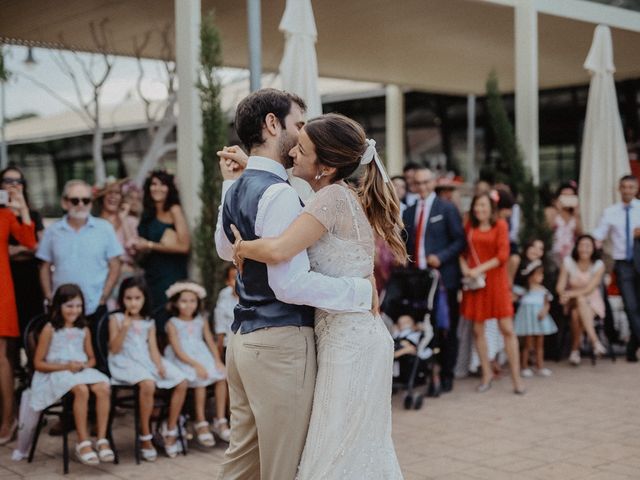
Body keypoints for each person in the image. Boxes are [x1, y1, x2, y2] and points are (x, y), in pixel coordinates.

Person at [214, 89, 388, 480]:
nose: (298, 140)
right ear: (273, 124)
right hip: (279, 344)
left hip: (242, 340)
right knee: (283, 467)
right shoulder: (281, 193)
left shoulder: (241, 186)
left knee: (242, 462)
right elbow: (289, 284)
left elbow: (225, 250)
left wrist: (235, 186)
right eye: (298, 125)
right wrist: (362, 291)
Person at [30, 284, 113, 465]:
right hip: (55, 372)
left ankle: (101, 438)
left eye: (78, 305)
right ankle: (82, 442)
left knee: (103, 387)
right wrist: (66, 366)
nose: (74, 310)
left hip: (78, 370)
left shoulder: (84, 329)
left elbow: (92, 359)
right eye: (69, 305)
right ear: (58, 306)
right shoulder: (50, 329)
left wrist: (82, 365)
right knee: (81, 390)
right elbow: (38, 363)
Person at [108, 276, 188, 461]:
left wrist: (159, 365)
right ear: (122, 299)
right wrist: (125, 327)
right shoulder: (116, 318)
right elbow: (114, 348)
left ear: (144, 299)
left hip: (146, 359)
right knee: (148, 384)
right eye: (129, 298)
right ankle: (145, 436)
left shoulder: (148, 321)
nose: (133, 302)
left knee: (182, 380)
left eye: (137, 298)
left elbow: (152, 349)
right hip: (124, 361)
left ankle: (169, 429)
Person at [402, 166, 465, 393]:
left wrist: (441, 257)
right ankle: (425, 373)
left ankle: (447, 375)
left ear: (433, 183)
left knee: (445, 328)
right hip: (417, 280)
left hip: (444, 281)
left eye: (426, 182)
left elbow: (460, 241)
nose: (422, 187)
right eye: (418, 183)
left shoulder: (446, 209)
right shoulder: (408, 212)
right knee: (422, 327)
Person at [460, 193, 525, 394]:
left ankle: (516, 378)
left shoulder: (501, 226)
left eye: (484, 205)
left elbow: (503, 256)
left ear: (491, 208)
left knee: (507, 328)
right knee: (478, 331)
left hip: (496, 282)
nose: (480, 209)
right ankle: (486, 374)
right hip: (477, 284)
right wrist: (466, 271)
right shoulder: (469, 226)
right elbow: (462, 254)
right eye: (477, 205)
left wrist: (477, 270)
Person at [36, 180, 123, 327]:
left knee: (97, 349)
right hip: (62, 308)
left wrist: (104, 296)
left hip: (95, 306)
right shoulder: (52, 231)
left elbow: (115, 265)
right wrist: (49, 297)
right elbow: (44, 266)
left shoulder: (105, 229)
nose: (81, 204)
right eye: (75, 200)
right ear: (65, 203)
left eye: (86, 200)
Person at [163, 281, 230, 446]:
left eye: (192, 301)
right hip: (183, 359)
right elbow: (177, 350)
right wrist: (195, 365)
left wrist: (217, 361)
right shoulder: (172, 323)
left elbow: (210, 341)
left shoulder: (201, 320)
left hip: (203, 356)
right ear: (175, 303)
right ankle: (200, 422)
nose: (188, 305)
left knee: (222, 376)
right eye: (184, 301)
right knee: (200, 379)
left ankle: (220, 419)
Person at [0, 178, 36, 445]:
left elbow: (29, 241)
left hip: (1, 289)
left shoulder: (4, 215)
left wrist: (21, 207)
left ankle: (8, 420)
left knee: (1, 356)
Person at [592, 175, 640, 362]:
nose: (627, 190)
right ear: (619, 189)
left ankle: (631, 350)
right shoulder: (610, 212)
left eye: (631, 187)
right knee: (630, 306)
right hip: (623, 264)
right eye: (624, 187)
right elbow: (598, 236)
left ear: (636, 189)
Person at [136, 170, 190, 309]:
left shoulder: (174, 210)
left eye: (163, 184)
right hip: (151, 273)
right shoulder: (148, 213)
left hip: (170, 273)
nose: (157, 188)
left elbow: (184, 246)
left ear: (169, 188)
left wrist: (149, 245)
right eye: (154, 184)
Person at [2, 166, 45, 338]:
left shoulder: (32, 214)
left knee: (31, 323)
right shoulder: (2, 213)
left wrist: (22, 208)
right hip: (6, 275)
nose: (13, 185)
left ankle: (32, 364)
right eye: (8, 181)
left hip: (28, 275)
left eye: (18, 181)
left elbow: (36, 246)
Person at [556, 235, 607, 365]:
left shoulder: (598, 265)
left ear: (593, 248)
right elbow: (560, 287)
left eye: (588, 246)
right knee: (579, 301)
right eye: (582, 245)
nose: (584, 249)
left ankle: (575, 351)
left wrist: (571, 293)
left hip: (592, 301)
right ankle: (595, 341)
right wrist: (565, 294)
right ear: (577, 247)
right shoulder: (568, 261)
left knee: (576, 313)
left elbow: (589, 290)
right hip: (570, 301)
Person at [513, 260, 558, 377]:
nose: (540, 276)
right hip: (528, 322)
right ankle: (524, 366)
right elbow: (513, 297)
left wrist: (544, 311)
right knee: (527, 344)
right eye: (538, 274)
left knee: (539, 344)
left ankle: (540, 366)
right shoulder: (524, 291)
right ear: (530, 275)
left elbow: (547, 303)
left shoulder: (543, 291)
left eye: (541, 274)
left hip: (539, 321)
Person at [94, 176, 140, 276]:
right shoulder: (93, 224)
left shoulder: (131, 221)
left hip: (125, 274)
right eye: (109, 192)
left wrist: (123, 220)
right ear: (102, 197)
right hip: (100, 274)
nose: (113, 196)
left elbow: (133, 251)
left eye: (117, 193)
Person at [545, 181, 582, 268]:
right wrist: (558, 210)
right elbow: (547, 230)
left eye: (571, 196)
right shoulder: (550, 211)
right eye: (564, 196)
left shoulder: (574, 215)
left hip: (570, 253)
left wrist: (576, 214)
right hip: (553, 252)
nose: (567, 198)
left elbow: (579, 233)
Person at [213, 263, 238, 356]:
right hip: (230, 344)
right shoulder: (224, 295)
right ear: (228, 282)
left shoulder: (255, 297)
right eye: (235, 277)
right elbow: (220, 325)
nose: (240, 280)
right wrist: (219, 354)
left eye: (243, 275)